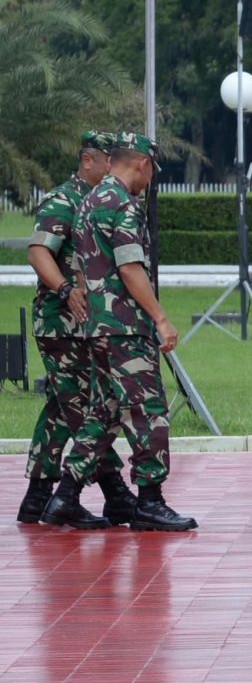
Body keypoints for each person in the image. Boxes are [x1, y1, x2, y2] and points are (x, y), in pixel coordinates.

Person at [40, 132, 196, 532]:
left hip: (96, 328)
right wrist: (160, 318)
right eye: (151, 171)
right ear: (142, 164)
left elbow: (80, 266)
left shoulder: (90, 202)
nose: (149, 180)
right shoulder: (124, 205)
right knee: (149, 413)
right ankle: (150, 501)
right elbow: (130, 269)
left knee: (103, 413)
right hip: (126, 328)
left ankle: (64, 497)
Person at [21, 131, 126, 524]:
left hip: (82, 326)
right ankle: (113, 489)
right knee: (86, 406)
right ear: (88, 161)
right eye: (108, 160)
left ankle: (37, 495)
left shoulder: (100, 201)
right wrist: (64, 289)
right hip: (61, 324)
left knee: (63, 407)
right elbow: (38, 251)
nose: (114, 167)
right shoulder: (65, 199)